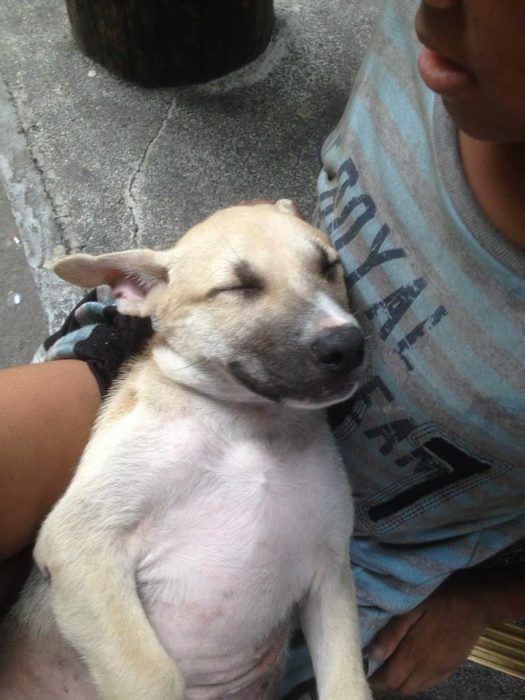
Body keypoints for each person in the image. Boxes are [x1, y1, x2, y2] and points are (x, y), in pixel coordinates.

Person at [0, 0, 524, 697]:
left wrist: (489, 601)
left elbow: (326, 575)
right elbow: (73, 544)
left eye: (321, 269)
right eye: (245, 289)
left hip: (369, 558)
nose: (333, 323)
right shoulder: (426, 48)